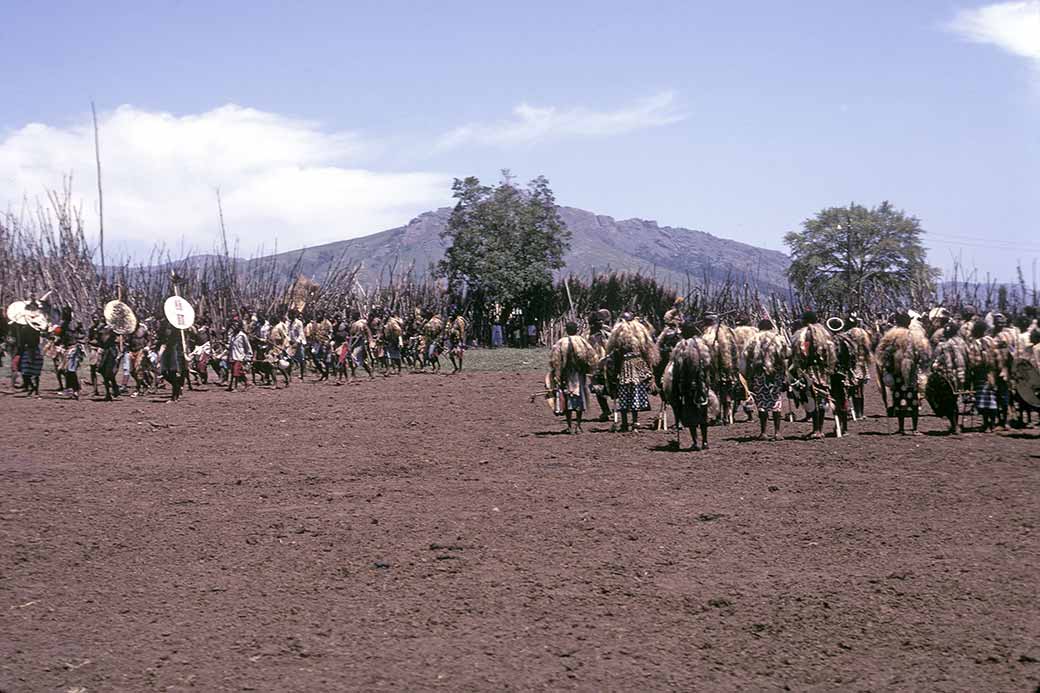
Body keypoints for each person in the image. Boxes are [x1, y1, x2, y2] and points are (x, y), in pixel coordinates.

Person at [876, 311, 930, 435]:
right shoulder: (915, 336)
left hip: (897, 373)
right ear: (909, 322)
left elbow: (884, 352)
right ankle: (914, 428)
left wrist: (886, 366)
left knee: (899, 398)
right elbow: (922, 353)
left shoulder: (891, 336)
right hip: (910, 373)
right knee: (912, 399)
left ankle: (901, 428)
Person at [606, 312, 658, 432]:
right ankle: (633, 422)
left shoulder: (621, 332)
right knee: (634, 392)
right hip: (636, 365)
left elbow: (615, 350)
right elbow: (647, 350)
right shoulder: (639, 332)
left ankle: (627, 423)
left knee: (626, 393)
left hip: (628, 365)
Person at [790, 311, 836, 439]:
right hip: (822, 372)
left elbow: (799, 353)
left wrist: (799, 367)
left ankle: (817, 429)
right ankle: (819, 429)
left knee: (813, 399)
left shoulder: (802, 335)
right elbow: (830, 353)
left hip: (808, 371)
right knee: (820, 398)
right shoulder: (824, 334)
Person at [669, 320, 713, 450]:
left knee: (690, 412)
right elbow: (708, 364)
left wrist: (675, 387)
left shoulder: (680, 346)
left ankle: (695, 442)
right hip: (701, 385)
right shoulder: (702, 345)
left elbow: (676, 367)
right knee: (702, 411)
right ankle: (705, 441)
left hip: (687, 386)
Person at [745, 318, 789, 440]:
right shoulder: (779, 339)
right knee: (776, 401)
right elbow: (785, 355)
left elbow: (748, 357)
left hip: (760, 374)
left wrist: (749, 375)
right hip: (776, 374)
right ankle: (777, 432)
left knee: (761, 402)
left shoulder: (754, 339)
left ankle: (763, 432)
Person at [549, 321, 597, 433]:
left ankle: (570, 426)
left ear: (566, 330)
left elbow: (555, 361)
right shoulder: (582, 342)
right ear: (576, 330)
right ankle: (578, 426)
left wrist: (557, 374)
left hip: (566, 375)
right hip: (579, 374)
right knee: (579, 398)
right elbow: (591, 356)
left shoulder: (561, 342)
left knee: (568, 398)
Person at [928, 322, 969, 434]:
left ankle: (954, 425)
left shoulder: (944, 345)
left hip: (949, 376)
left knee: (948, 401)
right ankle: (955, 424)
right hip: (962, 375)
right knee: (954, 400)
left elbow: (935, 360)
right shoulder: (963, 343)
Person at [967, 319, 999, 432]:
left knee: (983, 400)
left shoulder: (976, 343)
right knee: (991, 398)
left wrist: (971, 370)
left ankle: (986, 423)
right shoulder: (991, 340)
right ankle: (992, 424)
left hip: (980, 374)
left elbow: (974, 361)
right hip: (992, 373)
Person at [158, 319, 185, 402]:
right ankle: (177, 387)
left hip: (174, 352)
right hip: (166, 352)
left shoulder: (178, 331)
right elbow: (161, 339)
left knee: (173, 373)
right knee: (164, 373)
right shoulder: (163, 327)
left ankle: (174, 396)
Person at [227, 320, 253, 392]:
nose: (234, 327)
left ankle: (235, 387)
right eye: (233, 326)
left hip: (240, 356)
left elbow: (247, 346)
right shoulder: (232, 336)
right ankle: (247, 383)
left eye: (236, 326)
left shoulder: (242, 335)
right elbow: (230, 347)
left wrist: (248, 356)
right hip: (233, 356)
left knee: (236, 372)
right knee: (236, 372)